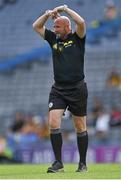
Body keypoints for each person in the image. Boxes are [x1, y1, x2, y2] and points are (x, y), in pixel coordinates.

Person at [33, 5, 88, 173]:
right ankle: (58, 163)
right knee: (53, 123)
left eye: (57, 26)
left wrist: (65, 9)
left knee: (80, 126)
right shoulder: (53, 39)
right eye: (54, 26)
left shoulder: (78, 38)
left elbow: (81, 21)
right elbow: (36, 26)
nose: (54, 29)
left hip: (77, 88)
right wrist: (48, 14)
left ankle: (82, 164)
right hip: (58, 89)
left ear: (67, 28)